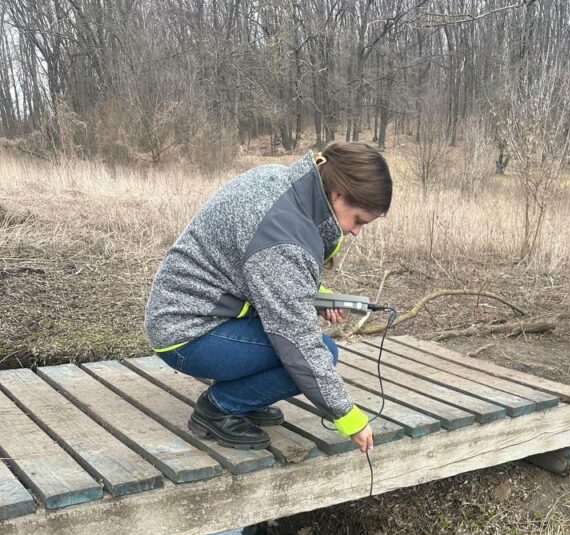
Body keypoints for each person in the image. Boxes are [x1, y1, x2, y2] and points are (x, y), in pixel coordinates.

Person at [144, 143, 392, 453]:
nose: (356, 232)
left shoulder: (280, 180)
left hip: (184, 313)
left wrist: (317, 296)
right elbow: (298, 342)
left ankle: (245, 398)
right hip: (187, 334)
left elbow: (264, 271)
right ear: (339, 194)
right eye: (358, 220)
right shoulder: (284, 237)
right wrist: (348, 416)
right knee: (320, 353)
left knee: (300, 349)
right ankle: (219, 408)